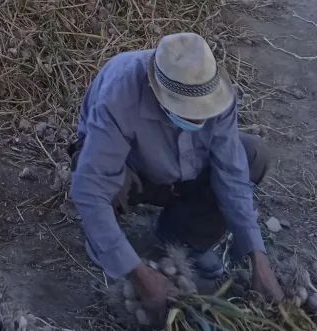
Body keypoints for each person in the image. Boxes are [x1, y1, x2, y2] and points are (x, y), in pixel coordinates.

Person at [70, 32, 282, 324]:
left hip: (183, 172)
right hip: (131, 171)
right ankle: (110, 248)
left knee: (252, 157)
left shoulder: (216, 92)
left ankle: (179, 238)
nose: (198, 120)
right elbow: (89, 190)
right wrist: (138, 273)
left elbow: (231, 175)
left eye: (203, 113)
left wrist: (258, 257)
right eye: (189, 113)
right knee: (95, 176)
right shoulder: (121, 93)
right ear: (160, 95)